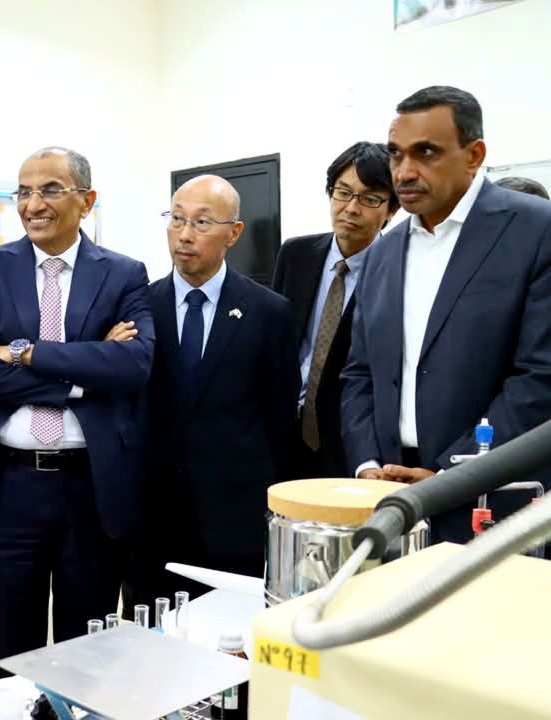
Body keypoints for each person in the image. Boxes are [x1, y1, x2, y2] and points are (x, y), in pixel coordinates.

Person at [0, 147, 154, 676]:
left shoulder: (125, 274)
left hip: (91, 489)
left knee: (86, 657)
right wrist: (83, 377)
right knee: (12, 656)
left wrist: (22, 352)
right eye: (24, 191)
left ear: (87, 201)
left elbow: (133, 364)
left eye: (50, 190)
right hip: (6, 489)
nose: (33, 204)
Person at [342, 86, 551, 544]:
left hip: (494, 499)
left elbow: (538, 380)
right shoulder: (384, 252)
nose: (405, 171)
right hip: (389, 499)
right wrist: (368, 466)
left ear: (474, 154)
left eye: (426, 153)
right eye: (396, 155)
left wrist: (446, 475)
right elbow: (360, 373)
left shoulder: (536, 230)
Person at [128, 175, 298, 606]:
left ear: (234, 233)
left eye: (202, 223)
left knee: (227, 646)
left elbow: (279, 421)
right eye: (177, 220)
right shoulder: (139, 309)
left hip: (234, 519)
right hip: (152, 515)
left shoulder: (268, 312)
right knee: (151, 640)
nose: (184, 235)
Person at [273, 143, 398, 480]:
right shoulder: (295, 255)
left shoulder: (398, 272)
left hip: (352, 441)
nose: (351, 208)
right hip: (285, 430)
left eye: (370, 198)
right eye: (343, 193)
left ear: (391, 210)